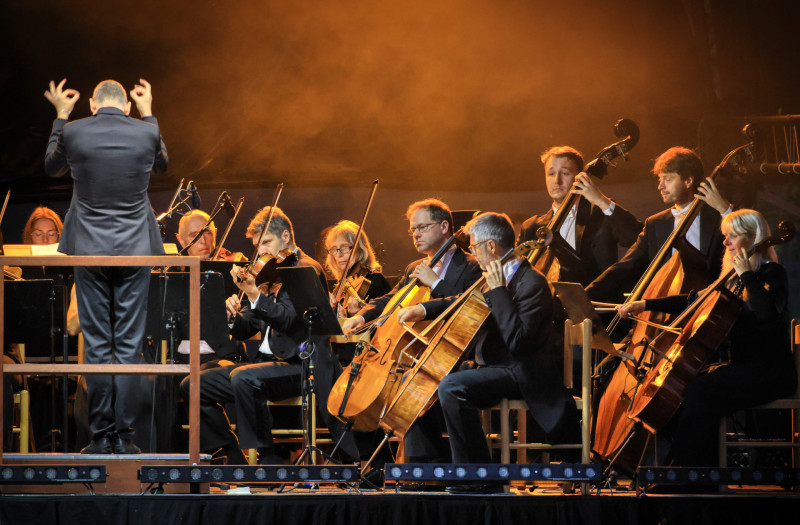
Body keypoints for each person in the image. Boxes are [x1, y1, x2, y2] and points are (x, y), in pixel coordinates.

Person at [397, 212, 579, 493]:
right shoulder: (495, 277)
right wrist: (423, 309)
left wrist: (498, 292)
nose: (473, 252)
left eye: (474, 246)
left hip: (523, 371)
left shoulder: (532, 283)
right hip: (494, 366)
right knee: (423, 376)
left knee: (453, 387)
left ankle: (478, 475)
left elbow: (519, 343)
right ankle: (428, 467)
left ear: (490, 247)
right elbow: (461, 299)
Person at [43, 78, 168, 455]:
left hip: (90, 250)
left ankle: (100, 438)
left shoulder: (74, 131)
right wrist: (149, 112)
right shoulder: (146, 132)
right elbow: (162, 164)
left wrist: (61, 116)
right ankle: (125, 438)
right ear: (126, 106)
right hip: (134, 249)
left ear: (93, 105)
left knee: (98, 346)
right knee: (128, 346)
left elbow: (51, 168)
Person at [616, 209, 796, 467]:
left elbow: (765, 314)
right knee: (683, 386)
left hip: (769, 372)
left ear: (753, 238)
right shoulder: (731, 280)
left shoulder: (771, 273)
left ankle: (693, 472)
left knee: (702, 390)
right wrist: (644, 304)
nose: (725, 243)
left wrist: (746, 273)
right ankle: (689, 467)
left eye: (732, 236)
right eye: (725, 236)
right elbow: (693, 300)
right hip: (741, 368)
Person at [179, 206, 357, 464]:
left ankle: (267, 458)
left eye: (266, 243)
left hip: (298, 366)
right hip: (264, 366)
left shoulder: (306, 269)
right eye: (257, 246)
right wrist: (231, 317)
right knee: (193, 385)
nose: (260, 252)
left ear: (285, 237)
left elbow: (286, 319)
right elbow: (247, 327)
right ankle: (233, 456)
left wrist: (253, 295)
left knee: (244, 377)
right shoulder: (269, 274)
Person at [341, 198, 482, 464]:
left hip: (453, 355)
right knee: (359, 387)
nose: (415, 234)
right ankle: (379, 465)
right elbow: (390, 299)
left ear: (443, 227)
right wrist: (362, 315)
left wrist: (436, 284)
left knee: (409, 385)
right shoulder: (412, 268)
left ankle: (421, 467)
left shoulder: (472, 266)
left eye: (422, 227)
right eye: (412, 229)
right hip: (413, 353)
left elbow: (467, 309)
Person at [587, 147, 732, 302]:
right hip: (663, 310)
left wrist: (725, 210)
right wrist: (586, 294)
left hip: (708, 309)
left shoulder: (720, 218)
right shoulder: (655, 224)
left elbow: (750, 243)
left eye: (668, 179)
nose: (660, 186)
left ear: (688, 181)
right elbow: (624, 267)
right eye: (660, 179)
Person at [518, 146, 642, 286]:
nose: (557, 181)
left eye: (564, 173)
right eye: (551, 173)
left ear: (579, 177)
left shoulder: (600, 213)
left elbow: (638, 239)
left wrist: (601, 200)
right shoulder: (532, 226)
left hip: (599, 304)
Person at [324, 220, 391, 363]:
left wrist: (358, 316)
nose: (339, 254)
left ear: (360, 248)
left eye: (344, 247)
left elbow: (385, 328)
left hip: (365, 360)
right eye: (334, 249)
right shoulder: (340, 287)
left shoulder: (374, 280)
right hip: (340, 357)